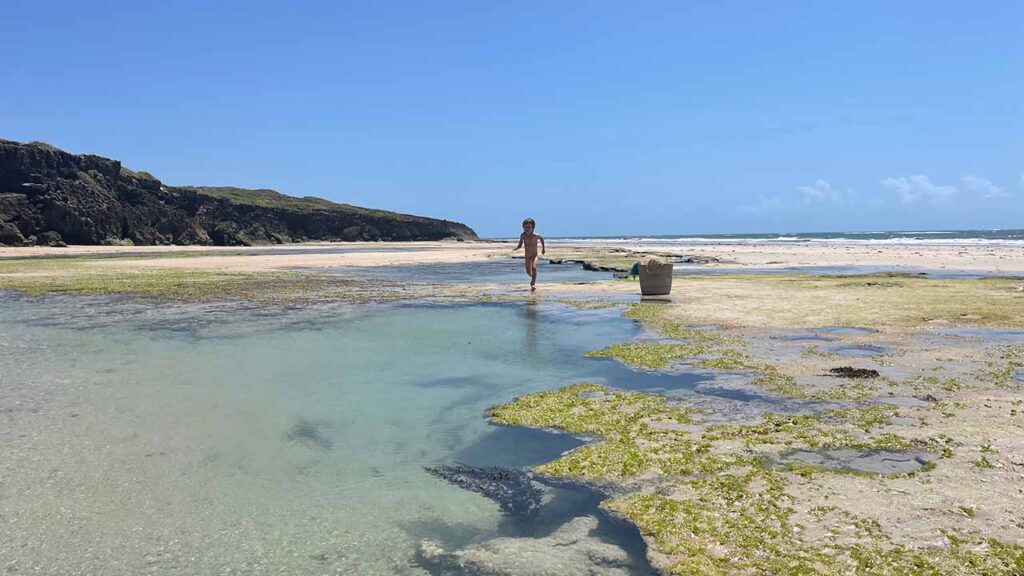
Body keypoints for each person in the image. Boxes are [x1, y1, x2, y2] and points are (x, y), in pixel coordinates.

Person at [513, 217, 545, 291]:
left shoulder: (535, 235)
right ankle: (534, 277)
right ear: (523, 227)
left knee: (534, 267)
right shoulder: (523, 235)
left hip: (534, 255)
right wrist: (517, 248)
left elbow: (542, 238)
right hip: (527, 256)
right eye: (525, 227)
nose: (527, 228)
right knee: (528, 272)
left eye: (529, 227)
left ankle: (532, 283)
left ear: (533, 227)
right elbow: (520, 244)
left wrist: (543, 249)